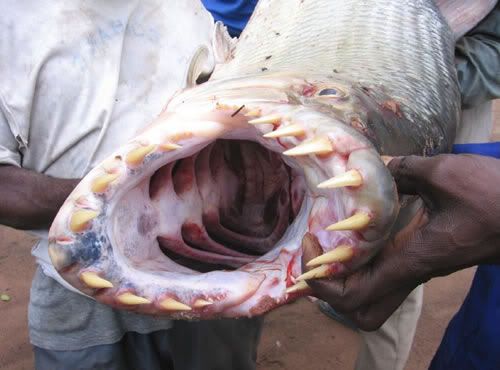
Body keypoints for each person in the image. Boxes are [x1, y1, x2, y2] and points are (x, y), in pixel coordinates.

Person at [0, 1, 262, 369]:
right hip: (83, 290)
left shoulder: (191, 10)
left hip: (212, 273)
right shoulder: (9, 26)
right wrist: (127, 201)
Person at [302, 5, 500, 369]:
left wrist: (413, 80)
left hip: (434, 107)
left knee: (399, 246)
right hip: (336, 92)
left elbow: (495, 50)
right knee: (327, 215)